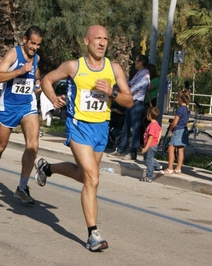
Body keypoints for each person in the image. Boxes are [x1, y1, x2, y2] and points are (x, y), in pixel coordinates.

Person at [35, 25, 133, 252]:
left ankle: (47, 168)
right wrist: (53, 99)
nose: (102, 42)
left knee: (86, 176)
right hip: (78, 126)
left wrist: (112, 92)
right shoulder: (74, 66)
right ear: (86, 41)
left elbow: (129, 101)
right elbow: (46, 80)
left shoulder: (113, 68)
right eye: (98, 38)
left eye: (106, 39)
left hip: (101, 129)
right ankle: (93, 235)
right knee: (92, 178)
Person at [0, 26, 43, 204]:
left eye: (38, 45)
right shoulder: (13, 54)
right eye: (33, 43)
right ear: (25, 40)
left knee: (32, 145)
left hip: (28, 105)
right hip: (8, 106)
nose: (35, 48)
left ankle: (22, 187)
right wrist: (19, 71)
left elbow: (36, 72)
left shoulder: (36, 57)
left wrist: (37, 82)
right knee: (0, 147)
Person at [111, 55, 150, 160]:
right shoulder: (139, 74)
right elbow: (131, 84)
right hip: (131, 102)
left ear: (141, 62)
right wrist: (120, 85)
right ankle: (121, 149)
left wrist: (127, 91)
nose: (135, 62)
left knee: (135, 128)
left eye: (136, 61)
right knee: (126, 127)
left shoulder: (145, 76)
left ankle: (133, 152)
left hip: (137, 103)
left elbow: (135, 87)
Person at [160, 89, 191, 175]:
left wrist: (171, 128)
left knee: (171, 148)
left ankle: (170, 168)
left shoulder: (180, 109)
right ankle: (178, 168)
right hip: (184, 129)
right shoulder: (188, 110)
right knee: (180, 149)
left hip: (178, 130)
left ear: (180, 99)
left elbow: (175, 121)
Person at [140, 107, 162, 182]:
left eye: (147, 114)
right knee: (148, 159)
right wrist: (158, 140)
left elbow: (150, 138)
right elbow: (160, 130)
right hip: (153, 145)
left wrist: (145, 148)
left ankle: (149, 176)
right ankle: (158, 166)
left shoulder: (152, 126)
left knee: (149, 161)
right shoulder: (156, 124)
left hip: (150, 146)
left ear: (149, 115)